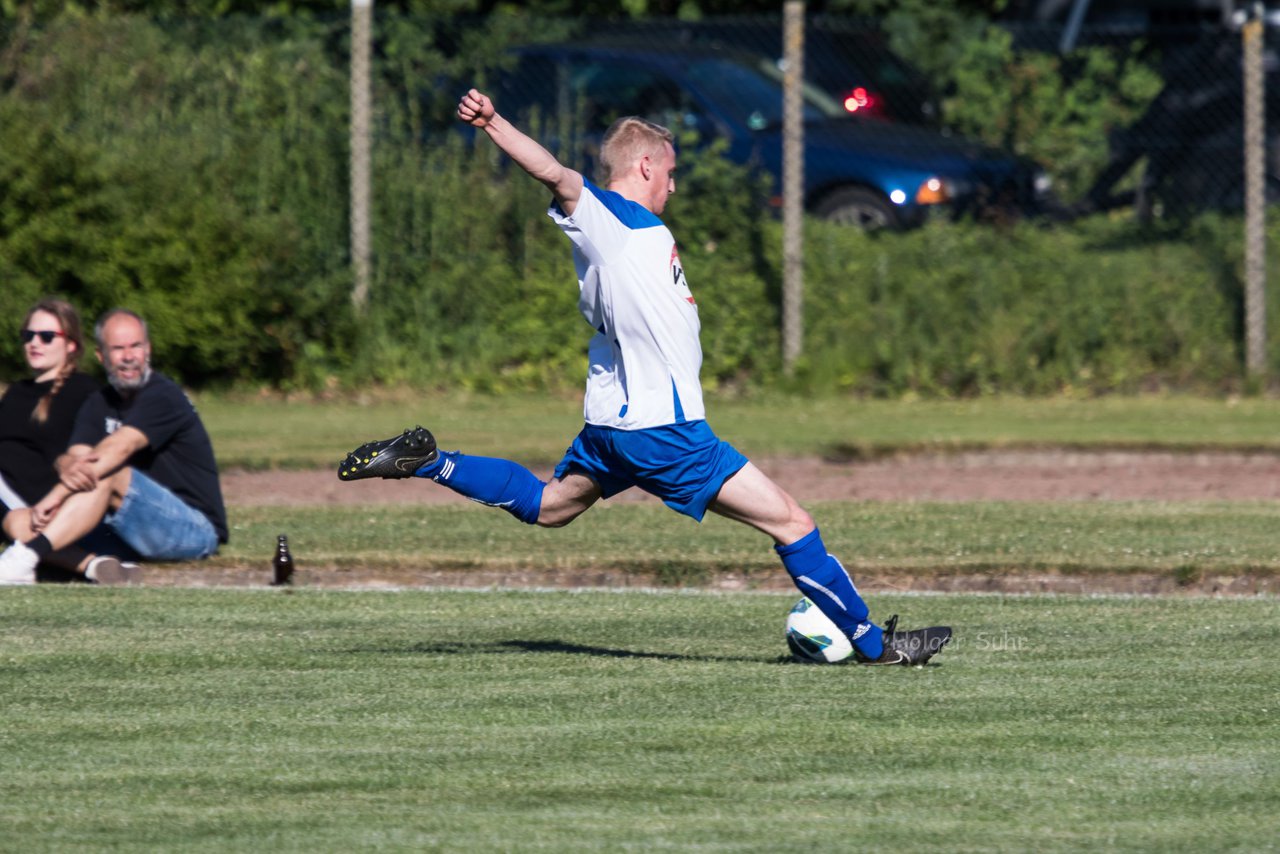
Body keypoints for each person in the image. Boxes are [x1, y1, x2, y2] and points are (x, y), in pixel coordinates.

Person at [337, 89, 950, 665]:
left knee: (551, 506)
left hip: (612, 428)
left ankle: (430, 461)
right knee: (792, 521)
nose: (675, 187)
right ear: (648, 165)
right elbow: (556, 175)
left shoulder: (628, 232)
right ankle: (875, 646)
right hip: (665, 431)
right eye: (672, 173)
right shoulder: (614, 220)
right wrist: (494, 123)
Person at [0, 308, 227, 584]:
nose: (129, 356)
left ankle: (27, 557)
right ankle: (96, 567)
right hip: (126, 527)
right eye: (118, 349)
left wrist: (54, 497)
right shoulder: (99, 402)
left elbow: (119, 448)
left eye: (136, 346)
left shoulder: (163, 394)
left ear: (148, 350)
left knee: (109, 470)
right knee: (19, 519)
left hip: (191, 528)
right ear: (101, 356)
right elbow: (78, 456)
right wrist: (66, 464)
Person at [0, 298, 139, 585]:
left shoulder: (85, 392)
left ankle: (58, 561)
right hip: (14, 504)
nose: (34, 343)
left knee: (15, 521)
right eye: (28, 335)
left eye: (47, 336)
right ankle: (95, 567)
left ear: (71, 344)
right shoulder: (16, 394)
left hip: (50, 509)